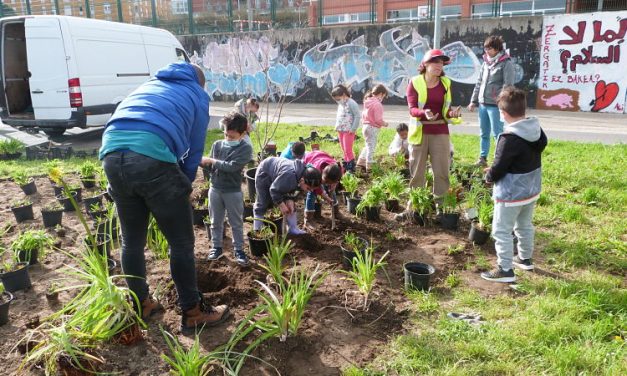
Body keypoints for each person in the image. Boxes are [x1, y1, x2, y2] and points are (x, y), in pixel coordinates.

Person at [99, 62, 229, 334]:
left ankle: (142, 303)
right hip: (150, 156)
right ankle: (193, 312)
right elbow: (194, 150)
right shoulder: (196, 94)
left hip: (111, 154)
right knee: (181, 243)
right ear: (200, 83)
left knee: (131, 241)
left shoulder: (149, 86)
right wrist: (183, 183)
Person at [481, 87, 547, 283]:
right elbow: (540, 146)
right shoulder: (535, 129)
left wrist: (489, 176)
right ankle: (525, 258)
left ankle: (505, 269)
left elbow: (499, 166)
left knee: (501, 230)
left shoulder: (509, 138)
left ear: (503, 113)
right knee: (525, 225)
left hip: (511, 193)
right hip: (531, 188)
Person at [395, 49, 462, 221]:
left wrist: (452, 114)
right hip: (420, 131)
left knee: (442, 171)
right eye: (435, 62)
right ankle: (416, 207)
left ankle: (441, 209)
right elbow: (411, 109)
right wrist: (423, 113)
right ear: (425, 64)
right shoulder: (415, 82)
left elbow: (446, 108)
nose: (439, 66)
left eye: (441, 63)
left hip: (440, 130)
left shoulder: (446, 83)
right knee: (417, 172)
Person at [202, 112, 253, 266]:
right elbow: (211, 167)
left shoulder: (245, 149)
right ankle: (216, 247)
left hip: (233, 191)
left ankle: (239, 250)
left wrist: (211, 161)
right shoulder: (217, 145)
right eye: (225, 134)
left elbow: (231, 167)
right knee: (215, 221)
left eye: (232, 136)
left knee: (236, 223)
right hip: (215, 189)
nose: (227, 139)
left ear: (242, 134)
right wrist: (203, 163)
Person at [468, 35, 515, 167]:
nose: (487, 51)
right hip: (483, 104)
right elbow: (479, 82)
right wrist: (473, 101)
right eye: (486, 48)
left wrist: (502, 103)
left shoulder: (506, 63)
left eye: (490, 48)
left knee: (498, 134)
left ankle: (498, 160)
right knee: (484, 133)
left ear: (497, 48)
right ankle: (482, 158)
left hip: (496, 106)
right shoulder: (485, 63)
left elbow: (508, 85)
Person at [253, 157, 322, 235]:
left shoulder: (302, 175)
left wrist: (290, 200)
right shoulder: (290, 176)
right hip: (265, 172)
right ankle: (257, 230)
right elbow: (274, 190)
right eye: (308, 188)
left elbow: (290, 190)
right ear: (302, 180)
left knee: (290, 206)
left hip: (281, 177)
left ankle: (293, 229)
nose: (311, 191)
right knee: (263, 202)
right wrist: (281, 204)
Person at [301, 150, 343, 227]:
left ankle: (336, 212)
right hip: (311, 158)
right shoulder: (316, 171)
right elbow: (318, 189)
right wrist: (325, 196)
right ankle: (308, 219)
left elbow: (338, 178)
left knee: (332, 191)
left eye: (329, 182)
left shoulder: (337, 169)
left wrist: (334, 185)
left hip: (322, 158)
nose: (326, 183)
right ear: (322, 172)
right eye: (325, 181)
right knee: (312, 192)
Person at [356, 84, 389, 171]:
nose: (383, 98)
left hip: (365, 126)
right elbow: (378, 120)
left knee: (367, 145)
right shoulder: (377, 104)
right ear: (381, 94)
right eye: (384, 96)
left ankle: (361, 161)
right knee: (372, 146)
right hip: (372, 128)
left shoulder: (367, 101)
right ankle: (369, 164)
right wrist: (384, 123)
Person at [331, 84, 361, 173]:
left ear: (344, 95)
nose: (337, 101)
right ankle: (346, 165)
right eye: (336, 100)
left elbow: (357, 116)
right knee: (344, 149)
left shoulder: (351, 103)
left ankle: (351, 168)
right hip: (341, 130)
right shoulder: (341, 104)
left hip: (348, 131)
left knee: (348, 149)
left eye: (338, 99)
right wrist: (337, 126)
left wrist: (353, 129)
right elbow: (340, 116)